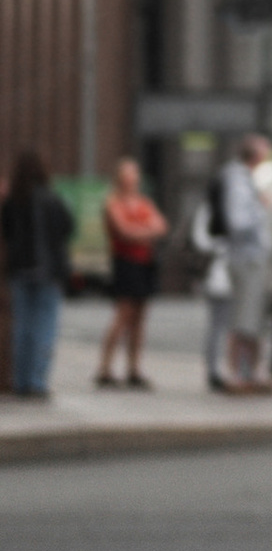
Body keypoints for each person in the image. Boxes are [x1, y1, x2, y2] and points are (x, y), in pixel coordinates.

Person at [5, 148, 76, 396]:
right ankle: (37, 381)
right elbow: (68, 226)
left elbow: (6, 231)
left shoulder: (13, 200)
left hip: (20, 270)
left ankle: (20, 381)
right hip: (48, 270)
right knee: (44, 326)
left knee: (22, 327)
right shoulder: (51, 198)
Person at [98, 159, 169, 387]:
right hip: (125, 263)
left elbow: (161, 225)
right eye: (128, 174)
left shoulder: (143, 202)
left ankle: (133, 368)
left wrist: (140, 232)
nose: (132, 179)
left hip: (144, 262)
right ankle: (105, 368)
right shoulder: (113, 203)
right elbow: (124, 231)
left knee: (140, 317)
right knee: (123, 315)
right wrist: (146, 231)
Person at [214, 137, 272, 392]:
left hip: (250, 257)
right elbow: (237, 221)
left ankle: (250, 372)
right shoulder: (238, 180)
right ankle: (237, 374)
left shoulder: (244, 179)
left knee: (254, 319)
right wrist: (259, 208)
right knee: (244, 318)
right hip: (246, 258)